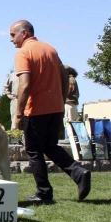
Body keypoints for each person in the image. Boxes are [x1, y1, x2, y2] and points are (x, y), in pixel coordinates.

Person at [9, 20, 90, 203]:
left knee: (34, 151)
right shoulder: (50, 49)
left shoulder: (23, 52)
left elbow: (25, 84)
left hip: (36, 110)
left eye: (13, 35)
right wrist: (61, 98)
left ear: (24, 33)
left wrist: (19, 113)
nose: (11, 40)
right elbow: (64, 74)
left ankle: (44, 193)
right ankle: (79, 173)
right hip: (56, 108)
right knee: (50, 146)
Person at [64, 65, 80, 138]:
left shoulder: (70, 79)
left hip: (69, 102)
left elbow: (69, 89)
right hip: (71, 103)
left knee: (69, 123)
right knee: (69, 122)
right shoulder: (72, 79)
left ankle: (69, 140)